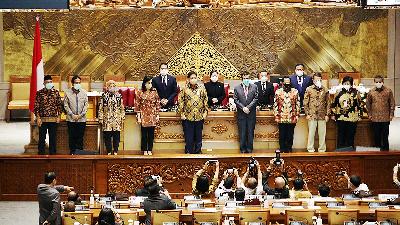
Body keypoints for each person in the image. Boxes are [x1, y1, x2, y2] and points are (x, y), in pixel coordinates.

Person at [178, 71, 209, 154]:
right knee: (189, 136)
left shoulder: (201, 89)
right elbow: (180, 101)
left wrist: (205, 112)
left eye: (195, 78)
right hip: (188, 117)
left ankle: (198, 152)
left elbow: (205, 100)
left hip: (199, 116)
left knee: (198, 136)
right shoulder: (184, 89)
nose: (193, 79)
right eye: (191, 78)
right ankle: (189, 152)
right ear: (188, 79)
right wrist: (182, 113)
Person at [331, 76, 363, 150]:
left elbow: (360, 104)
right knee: (341, 135)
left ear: (351, 84)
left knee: (350, 136)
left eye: (348, 83)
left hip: (352, 118)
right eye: (345, 83)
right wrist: (333, 114)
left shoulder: (356, 92)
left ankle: (350, 152)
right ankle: (340, 152)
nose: (346, 85)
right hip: (341, 117)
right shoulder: (338, 92)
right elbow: (333, 104)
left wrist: (360, 115)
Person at [34, 75, 62, 155]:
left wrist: (58, 116)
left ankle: (53, 155)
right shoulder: (39, 93)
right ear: (44, 83)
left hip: (53, 119)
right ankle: (41, 155)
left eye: (50, 82)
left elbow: (59, 105)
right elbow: (36, 106)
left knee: (53, 138)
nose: (49, 83)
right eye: (47, 82)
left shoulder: (56, 92)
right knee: (42, 138)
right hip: (42, 119)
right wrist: (38, 118)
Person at [366, 75, 395, 151]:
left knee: (385, 137)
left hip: (385, 118)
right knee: (376, 137)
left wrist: (391, 114)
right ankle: (377, 153)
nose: (378, 83)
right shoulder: (371, 91)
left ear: (383, 82)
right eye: (377, 82)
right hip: (375, 118)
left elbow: (392, 103)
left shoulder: (388, 91)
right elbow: (368, 104)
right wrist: (369, 114)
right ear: (374, 82)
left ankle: (386, 153)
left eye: (380, 82)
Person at [303, 73, 330, 153]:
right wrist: (307, 113)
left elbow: (328, 103)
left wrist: (327, 114)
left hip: (322, 114)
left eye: (319, 79)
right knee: (311, 133)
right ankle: (310, 149)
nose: (317, 81)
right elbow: (305, 102)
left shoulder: (325, 89)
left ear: (321, 80)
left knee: (322, 134)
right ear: (313, 80)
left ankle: (322, 149)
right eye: (316, 79)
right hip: (312, 114)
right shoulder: (309, 89)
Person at [135, 76, 161, 156]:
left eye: (151, 83)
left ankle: (150, 149)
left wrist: (157, 115)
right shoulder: (140, 92)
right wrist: (139, 117)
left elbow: (157, 104)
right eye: (149, 83)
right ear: (145, 83)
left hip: (152, 116)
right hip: (143, 115)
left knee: (151, 135)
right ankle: (144, 150)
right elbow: (137, 105)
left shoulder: (154, 91)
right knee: (144, 135)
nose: (150, 84)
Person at [234, 71, 258, 153]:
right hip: (241, 114)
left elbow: (256, 98)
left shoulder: (254, 87)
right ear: (242, 79)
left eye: (247, 78)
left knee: (250, 132)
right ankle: (242, 149)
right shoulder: (237, 88)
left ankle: (250, 149)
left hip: (251, 113)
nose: (246, 80)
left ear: (249, 79)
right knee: (242, 132)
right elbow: (236, 100)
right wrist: (243, 108)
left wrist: (248, 107)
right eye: (244, 78)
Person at [98, 80, 125, 155]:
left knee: (116, 136)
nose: (112, 87)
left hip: (116, 119)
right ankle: (109, 151)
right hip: (107, 119)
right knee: (107, 136)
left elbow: (122, 108)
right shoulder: (104, 96)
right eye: (110, 86)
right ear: (107, 87)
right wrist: (101, 118)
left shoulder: (119, 96)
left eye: (113, 86)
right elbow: (101, 108)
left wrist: (122, 117)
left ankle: (116, 150)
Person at [274, 77, 300, 153]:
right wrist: (276, 115)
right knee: (282, 134)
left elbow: (297, 104)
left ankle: (289, 148)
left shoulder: (295, 91)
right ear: (282, 83)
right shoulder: (278, 92)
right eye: (285, 82)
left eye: (288, 82)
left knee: (290, 134)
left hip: (291, 116)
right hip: (281, 117)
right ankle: (282, 148)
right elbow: (275, 104)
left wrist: (297, 115)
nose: (287, 84)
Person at [63, 75, 88, 155]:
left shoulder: (84, 92)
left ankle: (79, 152)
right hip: (71, 119)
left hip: (82, 119)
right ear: (72, 83)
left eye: (79, 83)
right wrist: (72, 115)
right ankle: (72, 152)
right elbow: (66, 105)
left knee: (80, 137)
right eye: (76, 82)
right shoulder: (67, 92)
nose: (77, 84)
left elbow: (86, 105)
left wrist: (80, 115)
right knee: (72, 137)